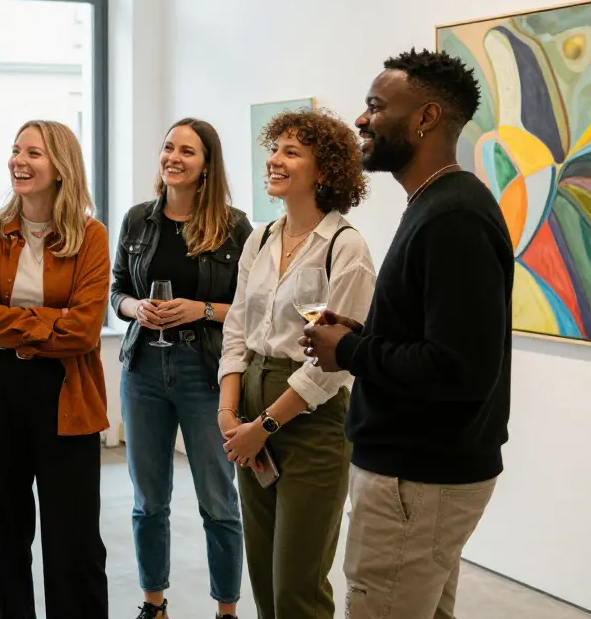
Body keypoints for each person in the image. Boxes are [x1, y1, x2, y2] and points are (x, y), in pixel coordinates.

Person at [302, 49, 513, 619]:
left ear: (424, 118)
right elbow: (437, 338)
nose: (361, 120)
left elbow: (459, 371)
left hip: (416, 478)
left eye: (375, 106)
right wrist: (362, 334)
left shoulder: (453, 217)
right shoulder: (439, 205)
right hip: (422, 473)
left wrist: (348, 349)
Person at [0, 120, 111, 619]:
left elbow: (84, 329)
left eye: (33, 153)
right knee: (4, 537)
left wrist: (9, 318)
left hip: (67, 394)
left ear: (61, 167)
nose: (19, 160)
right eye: (16, 150)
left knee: (74, 542)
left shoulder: (92, 236)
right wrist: (48, 322)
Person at [218, 108, 375, 619]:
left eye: (292, 152)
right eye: (275, 148)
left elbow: (332, 365)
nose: (275, 160)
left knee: (296, 586)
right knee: (263, 577)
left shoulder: (344, 247)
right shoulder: (259, 238)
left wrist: (264, 424)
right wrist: (229, 410)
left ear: (323, 171)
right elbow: (237, 328)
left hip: (309, 421)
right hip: (250, 409)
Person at [110, 118, 251, 619]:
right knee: (148, 500)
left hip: (205, 371)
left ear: (206, 165)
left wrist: (201, 309)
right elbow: (117, 291)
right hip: (144, 367)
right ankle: (154, 604)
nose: (173, 157)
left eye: (186, 151)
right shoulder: (136, 221)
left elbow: (253, 308)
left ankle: (227, 610)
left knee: (218, 500)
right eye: (169, 146)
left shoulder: (234, 227)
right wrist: (135, 310)